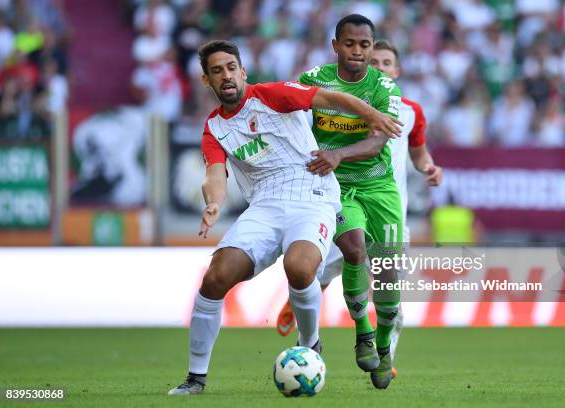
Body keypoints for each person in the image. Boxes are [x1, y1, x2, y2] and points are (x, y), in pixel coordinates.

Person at [168, 39, 402, 395]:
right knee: (215, 277)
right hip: (263, 206)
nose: (226, 76)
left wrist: (372, 116)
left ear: (242, 72)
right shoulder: (214, 128)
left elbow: (331, 98)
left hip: (313, 193)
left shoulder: (271, 95)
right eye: (217, 71)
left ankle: (309, 344)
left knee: (299, 266)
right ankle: (196, 377)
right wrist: (213, 203)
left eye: (231, 68)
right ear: (207, 81)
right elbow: (215, 173)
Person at [276, 38, 442, 380]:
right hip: (344, 192)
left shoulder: (408, 110)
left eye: (385, 62)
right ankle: (306, 330)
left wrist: (428, 167)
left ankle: (385, 356)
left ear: (396, 70)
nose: (378, 66)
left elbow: (418, 152)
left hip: (387, 201)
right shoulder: (334, 92)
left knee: (387, 281)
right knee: (337, 260)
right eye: (374, 60)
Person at [295, 14, 405, 389]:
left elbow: (377, 142)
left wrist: (339, 154)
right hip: (334, 187)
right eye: (350, 43)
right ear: (336, 46)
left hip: (379, 187)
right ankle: (363, 333)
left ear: (372, 48)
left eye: (365, 45)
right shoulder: (314, 80)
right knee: (355, 249)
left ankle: (385, 344)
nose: (357, 51)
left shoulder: (384, 88)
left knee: (388, 270)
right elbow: (286, 111)